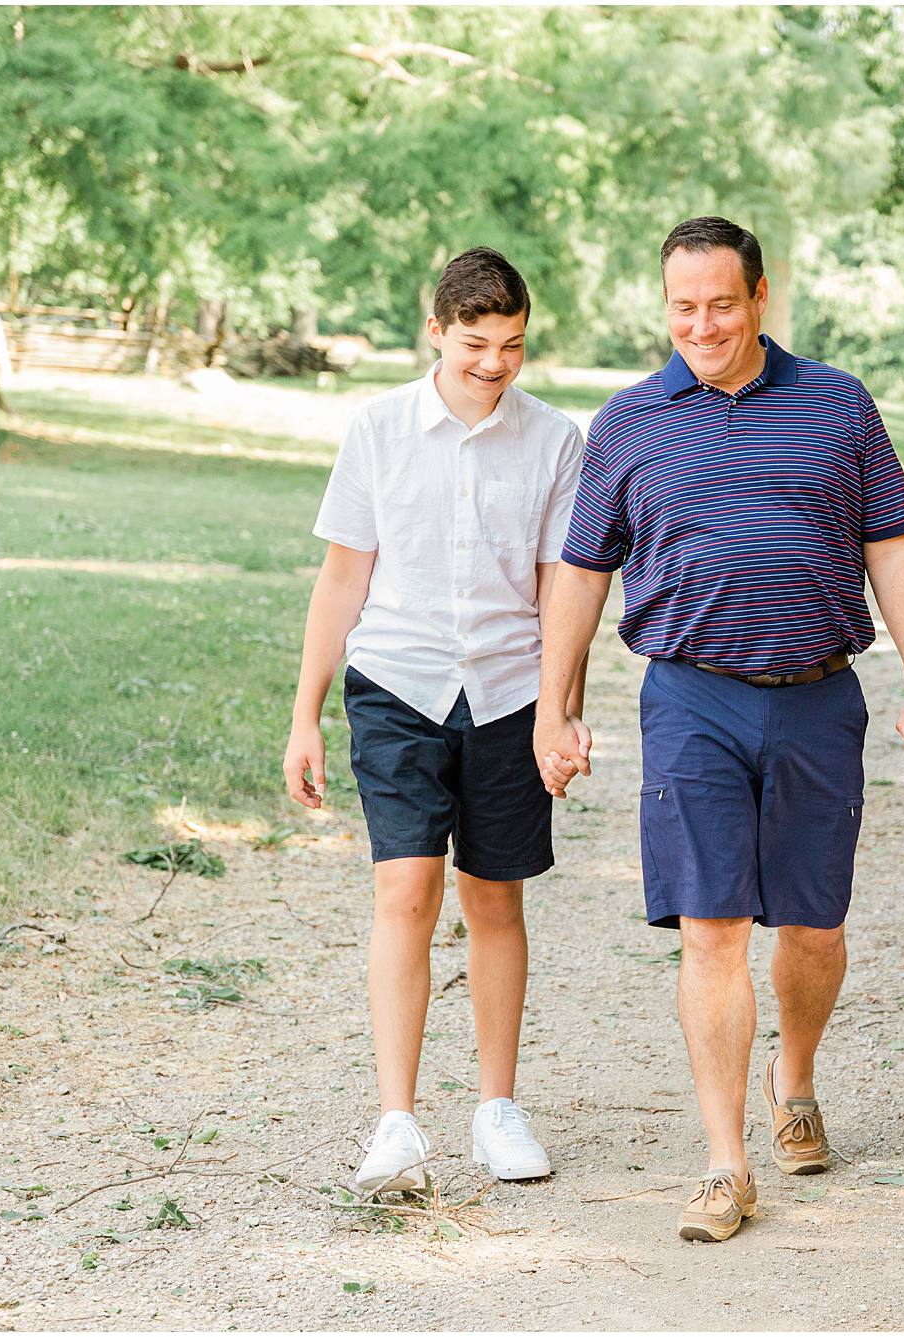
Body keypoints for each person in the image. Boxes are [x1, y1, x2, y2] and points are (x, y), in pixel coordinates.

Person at [533, 216, 904, 1243]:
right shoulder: (629, 422)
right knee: (711, 926)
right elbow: (583, 573)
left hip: (818, 696)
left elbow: (894, 551)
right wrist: (556, 708)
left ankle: (797, 1077)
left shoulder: (836, 405)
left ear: (761, 296)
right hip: (690, 698)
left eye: (721, 304)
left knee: (812, 926)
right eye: (682, 308)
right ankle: (724, 1162)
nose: (702, 325)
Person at [282, 247, 588, 1194]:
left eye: (513, 346)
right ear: (435, 331)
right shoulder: (375, 429)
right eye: (474, 345)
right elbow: (342, 578)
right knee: (406, 891)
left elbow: (560, 594)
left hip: (508, 694)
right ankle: (397, 1123)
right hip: (398, 682)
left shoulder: (555, 441)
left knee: (495, 895)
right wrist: (305, 717)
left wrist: (562, 713)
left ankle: (497, 1109)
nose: (494, 364)